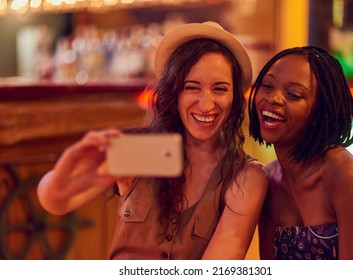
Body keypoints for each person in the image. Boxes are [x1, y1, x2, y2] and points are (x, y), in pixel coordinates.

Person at [37, 21, 269, 260]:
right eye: (192, 87)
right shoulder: (142, 151)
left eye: (220, 89)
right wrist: (68, 170)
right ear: (174, 92)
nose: (206, 104)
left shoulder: (245, 177)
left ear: (235, 99)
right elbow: (55, 202)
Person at [248, 46, 353, 260]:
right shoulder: (267, 180)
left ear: (318, 112)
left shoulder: (345, 173)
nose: (273, 98)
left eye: (293, 94)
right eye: (267, 86)